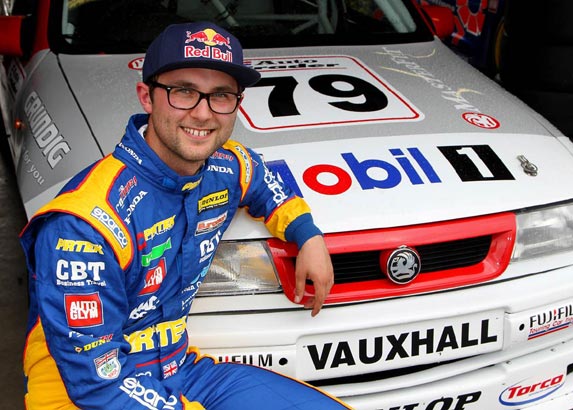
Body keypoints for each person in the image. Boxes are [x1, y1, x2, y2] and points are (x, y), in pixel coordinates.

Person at [20, 21, 352, 409]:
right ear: (147, 96)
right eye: (184, 92)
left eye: (221, 95)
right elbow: (98, 384)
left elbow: (262, 179)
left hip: (181, 371)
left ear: (236, 104)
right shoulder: (85, 223)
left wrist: (307, 235)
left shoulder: (224, 167)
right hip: (84, 394)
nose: (203, 113)